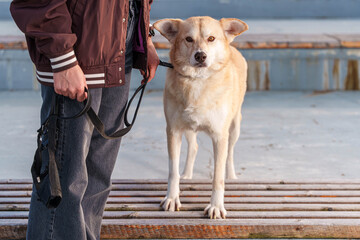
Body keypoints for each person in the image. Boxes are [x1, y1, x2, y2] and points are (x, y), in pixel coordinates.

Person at [10, 0, 159, 239]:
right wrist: (62, 58)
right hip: (77, 50)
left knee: (97, 176)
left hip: (120, 43)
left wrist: (144, 35)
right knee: (65, 177)